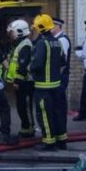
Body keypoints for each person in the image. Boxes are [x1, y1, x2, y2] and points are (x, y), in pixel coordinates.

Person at [31, 14, 66, 151]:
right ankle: (61, 140)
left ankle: (49, 143)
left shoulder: (42, 43)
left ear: (40, 28)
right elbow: (63, 61)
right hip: (56, 86)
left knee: (44, 115)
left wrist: (30, 68)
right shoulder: (58, 42)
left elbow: (37, 64)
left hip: (43, 87)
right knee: (57, 113)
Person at [5, 19, 35, 139]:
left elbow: (23, 65)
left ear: (20, 31)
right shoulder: (20, 44)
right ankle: (25, 128)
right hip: (21, 81)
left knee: (25, 106)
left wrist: (17, 80)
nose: (11, 35)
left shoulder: (26, 45)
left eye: (12, 32)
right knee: (21, 106)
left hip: (25, 82)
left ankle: (29, 129)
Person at [52, 17, 71, 139]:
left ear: (57, 26)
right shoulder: (56, 39)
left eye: (52, 26)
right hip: (58, 77)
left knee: (59, 106)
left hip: (60, 77)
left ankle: (61, 133)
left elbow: (61, 61)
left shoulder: (62, 40)